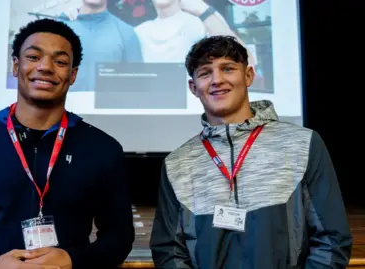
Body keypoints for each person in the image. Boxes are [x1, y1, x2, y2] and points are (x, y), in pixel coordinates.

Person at [0, 18, 135, 269]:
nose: (45, 67)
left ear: (73, 74)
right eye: (34, 57)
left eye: (60, 61)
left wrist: (73, 260)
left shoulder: (102, 148)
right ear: (16, 66)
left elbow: (119, 236)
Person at [149, 35, 353, 268]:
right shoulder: (178, 163)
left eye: (228, 68)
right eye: (205, 72)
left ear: (248, 76)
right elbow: (169, 252)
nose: (217, 80)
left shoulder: (302, 144)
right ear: (194, 87)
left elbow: (332, 241)